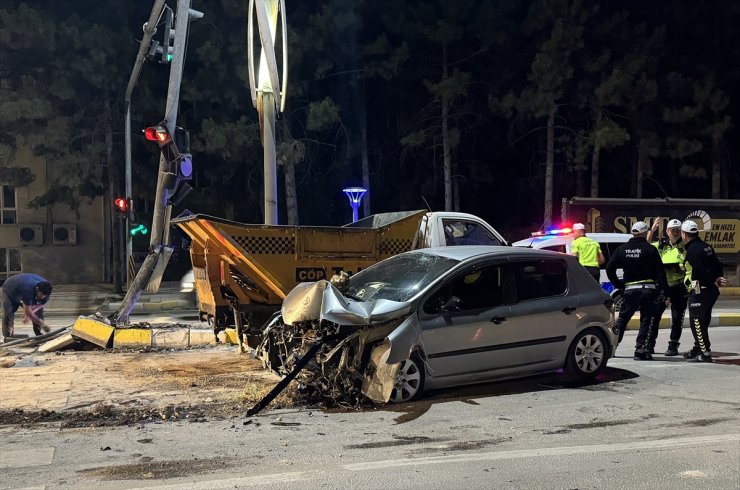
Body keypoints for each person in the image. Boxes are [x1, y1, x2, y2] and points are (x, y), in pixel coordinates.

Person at [606, 221, 667, 360]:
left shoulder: (622, 249)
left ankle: (611, 348)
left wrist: (619, 285)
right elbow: (660, 273)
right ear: (645, 233)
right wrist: (664, 292)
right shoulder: (651, 249)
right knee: (646, 319)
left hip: (629, 290)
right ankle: (640, 350)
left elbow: (610, 269)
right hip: (648, 290)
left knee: (622, 319)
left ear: (633, 233)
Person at [680, 220, 728, 363]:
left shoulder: (693, 250)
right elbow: (717, 264)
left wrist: (712, 279)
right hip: (711, 291)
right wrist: (717, 278)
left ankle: (705, 353)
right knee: (703, 320)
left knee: (697, 322)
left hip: (701, 291)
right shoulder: (705, 246)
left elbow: (699, 270)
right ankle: (698, 348)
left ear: (684, 234)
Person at [646, 218, 688, 356]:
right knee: (654, 315)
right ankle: (649, 344)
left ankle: (673, 345)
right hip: (663, 287)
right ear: (667, 232)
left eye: (677, 230)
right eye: (672, 230)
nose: (675, 233)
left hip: (679, 287)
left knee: (677, 317)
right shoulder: (662, 245)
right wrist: (652, 230)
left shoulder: (686, 247)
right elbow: (647, 246)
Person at [1, 273, 52, 341]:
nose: (41, 297)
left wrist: (29, 314)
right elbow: (28, 311)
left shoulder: (47, 290)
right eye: (40, 295)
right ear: (37, 289)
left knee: (38, 312)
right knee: (8, 313)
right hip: (10, 289)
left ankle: (39, 334)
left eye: (43, 296)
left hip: (23, 286)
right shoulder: (28, 290)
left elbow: (39, 305)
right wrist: (42, 324)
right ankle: (8, 336)